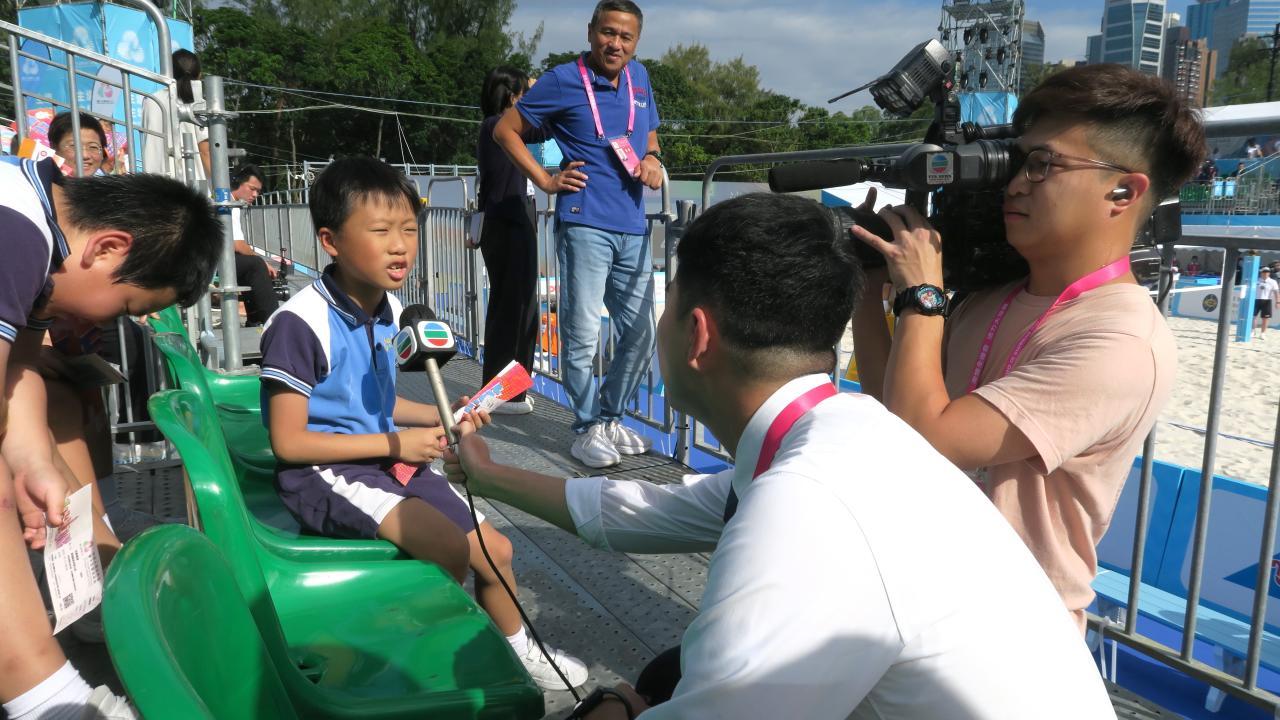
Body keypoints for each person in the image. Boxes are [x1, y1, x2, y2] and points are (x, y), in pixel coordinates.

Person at [444, 193, 1116, 719]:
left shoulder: (806, 505)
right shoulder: (841, 433)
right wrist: (488, 475)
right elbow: (641, 508)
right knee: (667, 677)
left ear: (697, 335)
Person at [851, 64, 1202, 631]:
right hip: (921, 600)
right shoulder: (993, 298)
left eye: (1043, 164)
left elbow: (927, 438)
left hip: (1011, 628)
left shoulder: (1121, 340)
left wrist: (922, 294)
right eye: (1016, 162)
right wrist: (870, 286)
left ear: (1123, 191)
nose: (1014, 184)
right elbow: (896, 408)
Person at [258, 157, 588, 691]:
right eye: (381, 231)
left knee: (497, 552)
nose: (401, 247)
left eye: (410, 230)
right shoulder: (300, 323)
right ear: (330, 240)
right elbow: (289, 442)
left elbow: (375, 403)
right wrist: (398, 444)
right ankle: (429, 660)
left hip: (382, 459)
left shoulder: (389, 309)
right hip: (323, 471)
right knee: (447, 548)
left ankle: (517, 650)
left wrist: (444, 415)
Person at [0, 156, 222, 718]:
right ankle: (50, 698)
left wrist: (33, 458)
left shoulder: (39, 233)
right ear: (106, 248)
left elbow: (17, 368)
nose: (105, 325)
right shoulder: (16, 233)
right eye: (124, 308)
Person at [493, 0, 664, 468]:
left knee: (641, 333)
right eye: (608, 32)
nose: (615, 44)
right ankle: (586, 427)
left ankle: (610, 417)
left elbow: (649, 135)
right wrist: (547, 180)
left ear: (636, 42)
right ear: (591, 32)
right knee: (583, 334)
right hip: (584, 221)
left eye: (626, 37)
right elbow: (506, 131)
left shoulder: (640, 78)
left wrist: (652, 158)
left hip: (633, 225)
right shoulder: (563, 79)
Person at [477, 66, 546, 414]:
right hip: (510, 223)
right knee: (516, 309)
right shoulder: (497, 126)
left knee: (515, 307)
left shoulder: (493, 127)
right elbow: (543, 125)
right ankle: (504, 394)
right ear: (511, 96)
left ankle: (507, 389)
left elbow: (540, 129)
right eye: (524, 94)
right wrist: (545, 89)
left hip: (508, 222)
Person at [142, 49, 211, 183]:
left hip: (153, 182)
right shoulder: (199, 104)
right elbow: (206, 152)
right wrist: (224, 187)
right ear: (199, 75)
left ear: (169, 73)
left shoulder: (151, 101)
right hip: (192, 184)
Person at [228, 164, 280, 325]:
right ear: (237, 183)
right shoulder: (228, 204)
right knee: (256, 265)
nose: (255, 194)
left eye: (258, 191)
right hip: (211, 261)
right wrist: (263, 262)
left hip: (216, 258)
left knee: (249, 264)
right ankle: (273, 322)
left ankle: (255, 319)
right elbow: (237, 244)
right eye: (252, 189)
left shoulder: (233, 204)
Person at [47, 112, 107, 177]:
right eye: (74, 146)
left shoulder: (107, 182)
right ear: (53, 147)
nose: (85, 155)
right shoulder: (42, 181)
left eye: (93, 147)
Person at [1256, 267, 1279, 335]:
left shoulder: (1273, 281)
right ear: (1261, 273)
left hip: (1267, 301)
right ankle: (1252, 331)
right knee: (1253, 317)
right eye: (1264, 272)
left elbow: (1276, 292)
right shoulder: (1256, 280)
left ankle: (1263, 333)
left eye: (1267, 272)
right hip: (1256, 300)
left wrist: (1278, 302)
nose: (1265, 273)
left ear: (1269, 273)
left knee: (1265, 318)